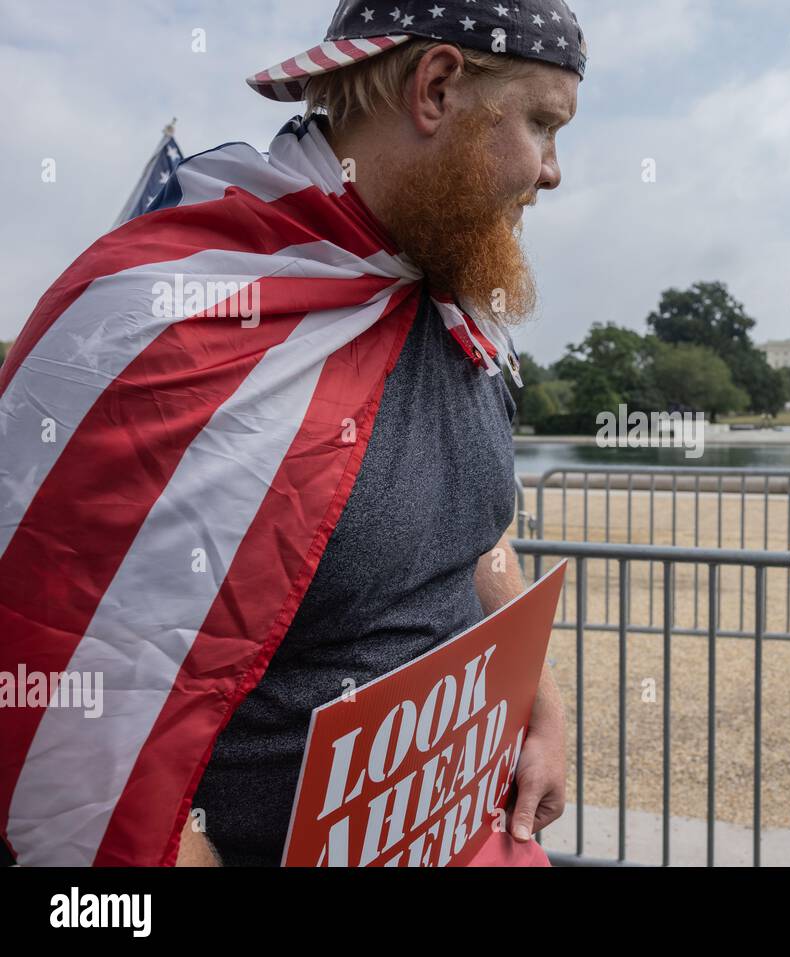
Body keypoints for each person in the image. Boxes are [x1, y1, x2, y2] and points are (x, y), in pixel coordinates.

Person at [0, 0, 585, 867]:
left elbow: (476, 531)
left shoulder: (455, 307)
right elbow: (68, 743)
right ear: (437, 89)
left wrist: (541, 696)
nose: (553, 172)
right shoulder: (167, 322)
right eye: (542, 123)